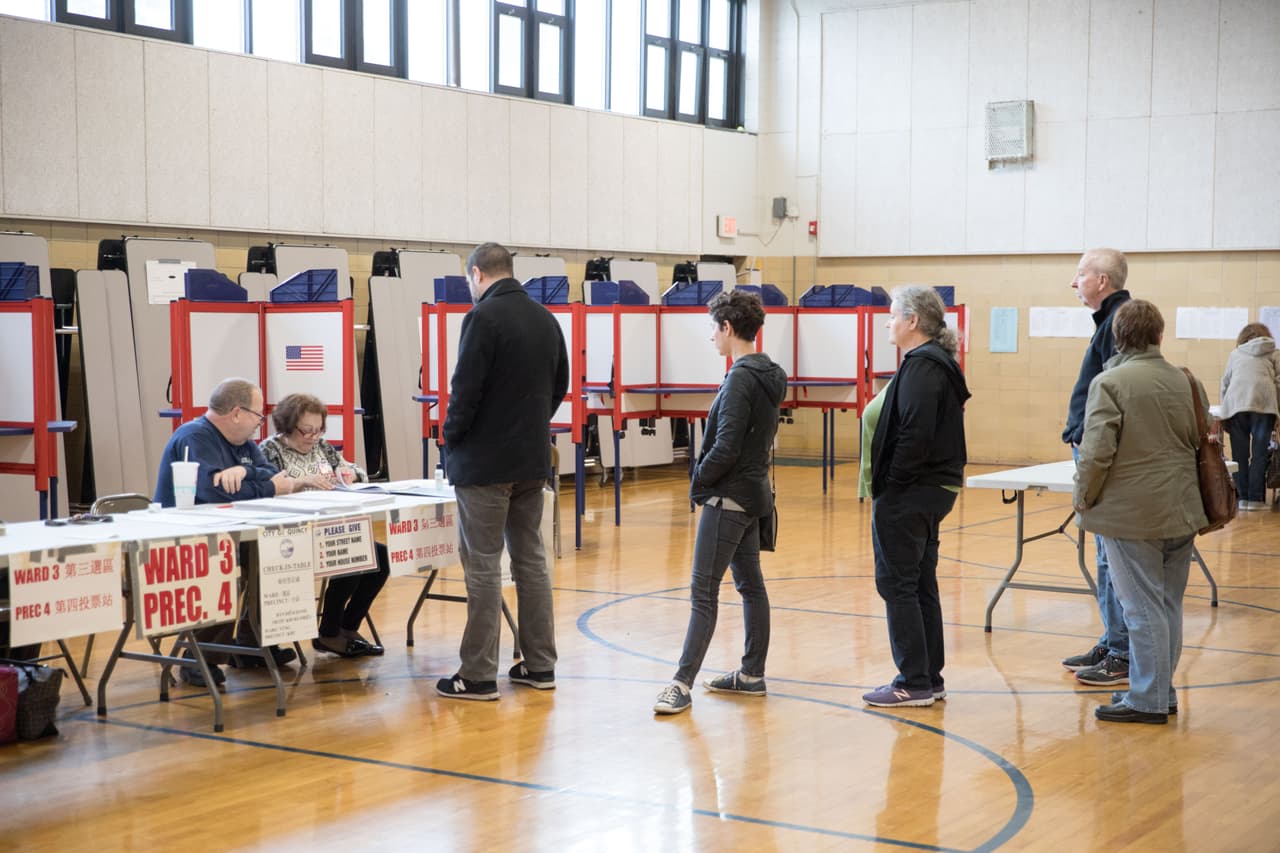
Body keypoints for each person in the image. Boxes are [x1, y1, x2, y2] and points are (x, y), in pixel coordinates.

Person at [435, 243, 569, 700]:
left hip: (485, 464)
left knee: (484, 564)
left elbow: (464, 391)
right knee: (531, 561)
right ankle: (540, 666)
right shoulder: (546, 319)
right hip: (531, 460)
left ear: (476, 275)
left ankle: (477, 675)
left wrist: (450, 436)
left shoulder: (481, 319)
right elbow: (560, 387)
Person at [652, 291, 787, 715]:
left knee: (703, 593)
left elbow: (725, 446)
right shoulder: (772, 373)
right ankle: (751, 675)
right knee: (750, 587)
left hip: (727, 498)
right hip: (754, 496)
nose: (711, 336)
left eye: (714, 328)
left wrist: (698, 480)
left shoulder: (741, 377)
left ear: (728, 329)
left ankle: (681, 683)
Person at [1073, 300, 1206, 724]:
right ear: (1159, 336)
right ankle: (1159, 691)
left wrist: (1083, 498)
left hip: (1131, 515)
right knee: (1167, 604)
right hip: (1182, 508)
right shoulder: (1187, 381)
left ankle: (1147, 698)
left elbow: (1095, 454)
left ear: (1117, 338)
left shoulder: (1110, 382)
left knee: (1141, 608)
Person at [862, 285, 969, 708]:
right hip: (928, 489)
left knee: (898, 584)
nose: (887, 323)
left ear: (912, 321)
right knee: (919, 582)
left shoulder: (924, 366)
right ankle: (928, 677)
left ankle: (913, 680)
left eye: (892, 316)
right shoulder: (931, 363)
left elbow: (915, 433)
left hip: (912, 491)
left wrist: (891, 483)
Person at [154, 378, 299, 687]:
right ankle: (198, 657)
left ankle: (251, 641)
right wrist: (267, 488)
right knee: (227, 564)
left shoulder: (242, 443)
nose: (261, 424)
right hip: (185, 539)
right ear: (236, 413)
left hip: (229, 533)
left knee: (274, 552)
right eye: (258, 416)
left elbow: (275, 474)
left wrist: (245, 472)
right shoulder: (194, 436)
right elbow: (211, 492)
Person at [259, 393, 387, 657]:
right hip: (290, 535)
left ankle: (347, 626)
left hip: (329, 528)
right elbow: (265, 490)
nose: (312, 437)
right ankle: (329, 633)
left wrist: (351, 474)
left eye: (318, 430)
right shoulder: (270, 450)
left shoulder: (322, 447)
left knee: (381, 558)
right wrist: (303, 481)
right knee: (351, 556)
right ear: (288, 425)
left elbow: (354, 469)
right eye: (306, 430)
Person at [1061, 248, 1133, 688]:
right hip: (1088, 444)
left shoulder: (1119, 320)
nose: (1074, 282)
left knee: (1110, 557)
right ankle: (1113, 639)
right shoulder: (1109, 319)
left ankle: (1122, 652)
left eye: (1081, 274)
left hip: (1099, 452)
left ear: (1102, 281)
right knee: (1104, 557)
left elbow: (1115, 396)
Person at [1219, 322, 1280, 511]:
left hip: (1236, 405)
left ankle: (1241, 499)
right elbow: (1279, 383)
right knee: (1260, 454)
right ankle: (1256, 500)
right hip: (1264, 405)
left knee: (1239, 456)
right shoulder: (1274, 352)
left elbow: (1225, 383)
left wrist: (1224, 411)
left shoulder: (1235, 353)